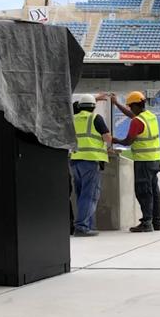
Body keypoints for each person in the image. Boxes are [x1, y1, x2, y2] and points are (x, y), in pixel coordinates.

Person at [111, 91, 160, 233]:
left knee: (143, 192)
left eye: (130, 106)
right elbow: (132, 116)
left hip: (143, 162)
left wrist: (114, 140)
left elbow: (128, 141)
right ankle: (157, 222)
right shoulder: (150, 117)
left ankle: (146, 223)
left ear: (135, 105)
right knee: (154, 192)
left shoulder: (137, 121)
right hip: (155, 160)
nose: (130, 109)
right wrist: (116, 104)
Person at [70, 93, 111, 237]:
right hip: (90, 160)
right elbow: (107, 138)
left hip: (75, 160)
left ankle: (87, 225)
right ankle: (81, 227)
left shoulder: (73, 118)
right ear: (93, 107)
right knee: (90, 195)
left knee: (81, 194)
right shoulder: (96, 118)